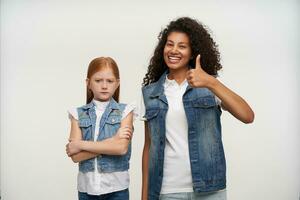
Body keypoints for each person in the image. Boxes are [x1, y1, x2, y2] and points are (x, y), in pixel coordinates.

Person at [141, 17, 255, 200]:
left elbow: (247, 116)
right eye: (170, 44)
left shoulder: (209, 86)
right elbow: (148, 148)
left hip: (210, 188)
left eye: (182, 46)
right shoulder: (150, 93)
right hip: (168, 190)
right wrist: (144, 196)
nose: (174, 50)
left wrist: (211, 82)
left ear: (193, 52)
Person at [66, 57, 134, 200]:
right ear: (88, 83)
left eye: (110, 81)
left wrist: (80, 144)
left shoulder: (126, 111)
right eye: (98, 80)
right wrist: (112, 141)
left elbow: (121, 148)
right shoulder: (77, 114)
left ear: (117, 84)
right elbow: (75, 156)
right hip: (86, 190)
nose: (104, 86)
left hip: (117, 189)